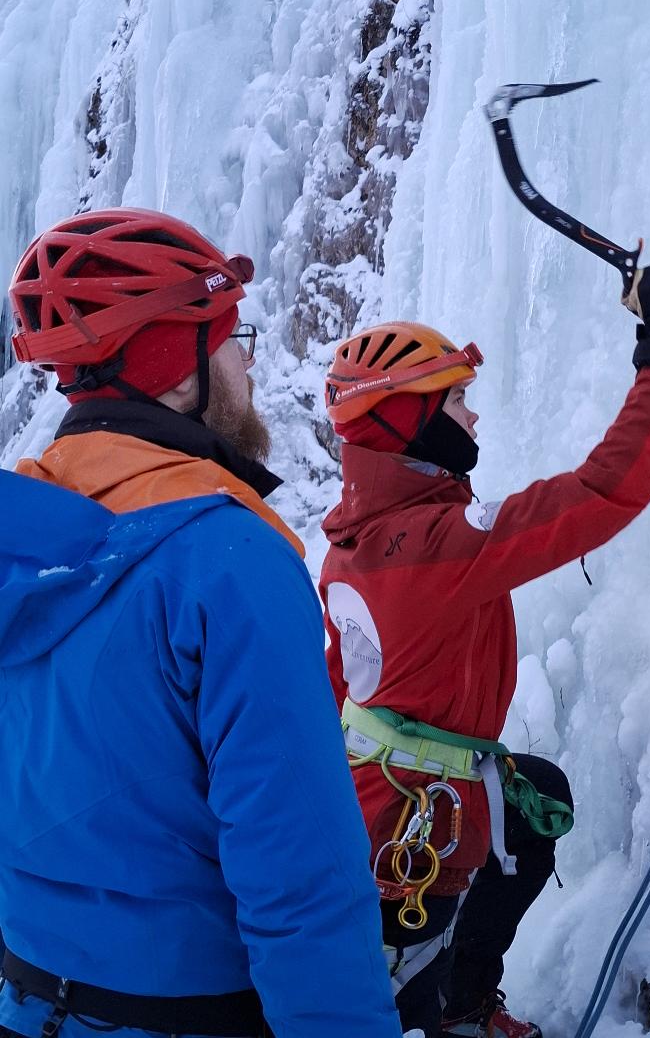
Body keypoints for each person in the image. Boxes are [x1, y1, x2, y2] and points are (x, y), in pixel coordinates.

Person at [0, 208, 401, 1038]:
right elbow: (303, 879)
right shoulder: (229, 561)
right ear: (174, 369)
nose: (247, 363)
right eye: (230, 337)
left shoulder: (19, 535)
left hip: (29, 1003)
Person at [318, 267, 650, 1038]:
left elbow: (342, 680)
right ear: (407, 420)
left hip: (376, 803)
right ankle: (441, 1013)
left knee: (537, 799)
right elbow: (604, 492)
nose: (472, 416)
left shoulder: (354, 539)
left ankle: (461, 1002)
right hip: (411, 838)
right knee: (399, 998)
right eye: (455, 399)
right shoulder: (433, 546)